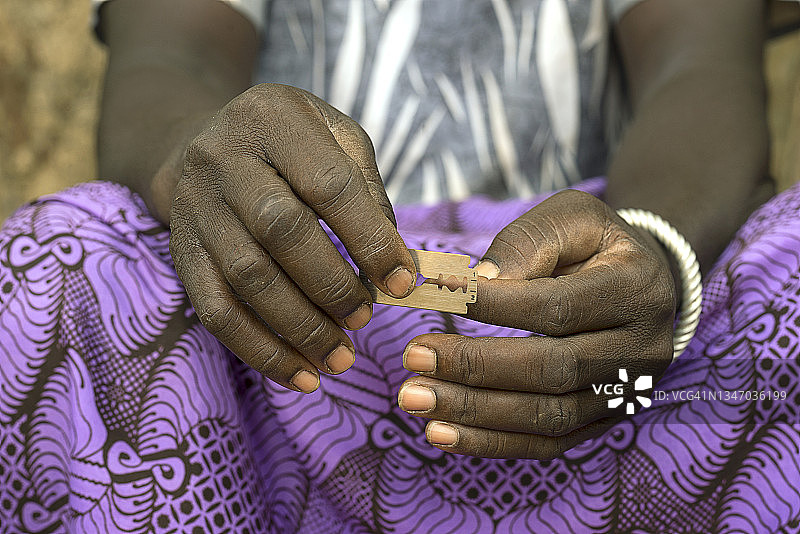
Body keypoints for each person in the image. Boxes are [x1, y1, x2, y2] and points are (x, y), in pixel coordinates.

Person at [0, 0, 798, 532]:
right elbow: (167, 63)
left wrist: (653, 252)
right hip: (283, 322)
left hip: (601, 339)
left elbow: (698, 69)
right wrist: (202, 164)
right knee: (58, 257)